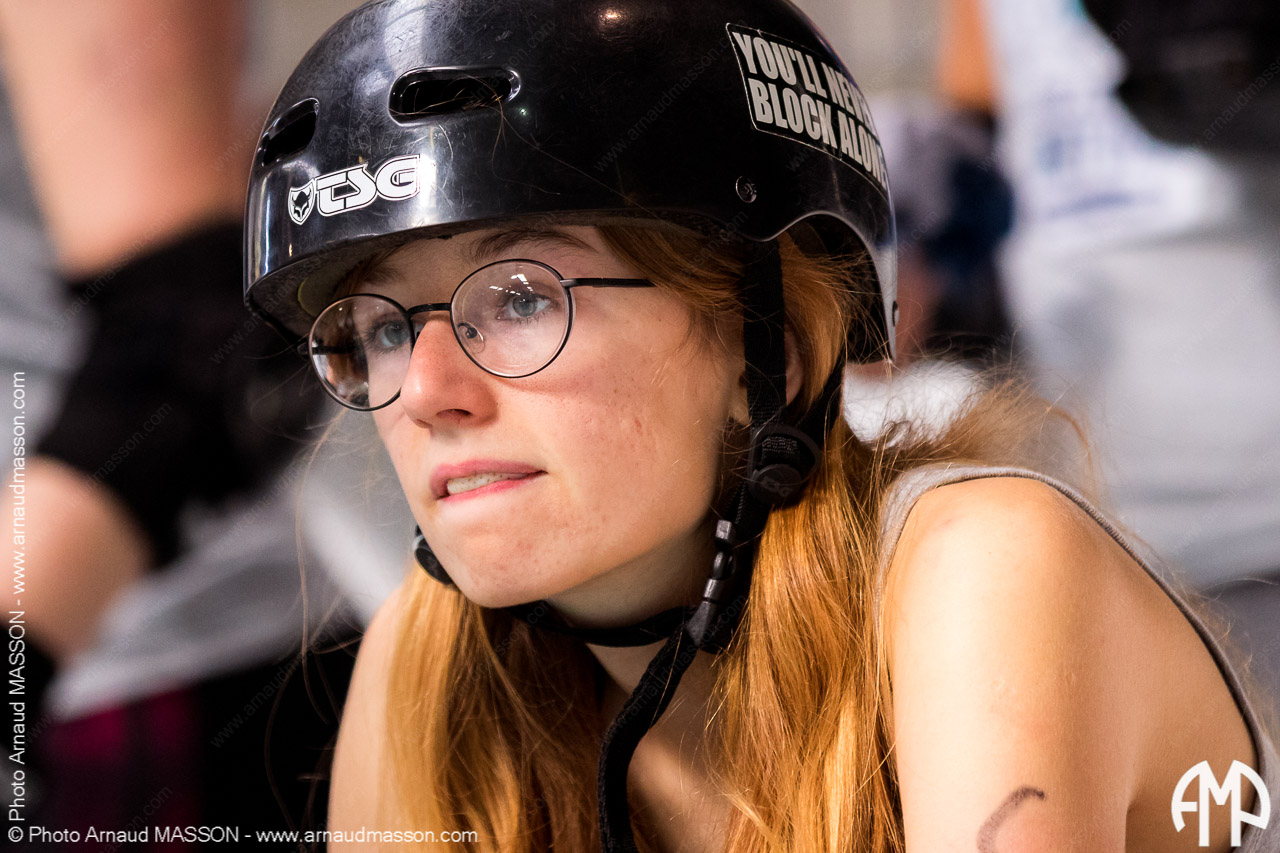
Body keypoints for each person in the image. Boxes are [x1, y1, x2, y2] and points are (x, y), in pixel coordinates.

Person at [242, 1, 1279, 850]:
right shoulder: (425, 657)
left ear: (768, 354)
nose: (425, 390)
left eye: (520, 298)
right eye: (382, 328)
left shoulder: (982, 571)